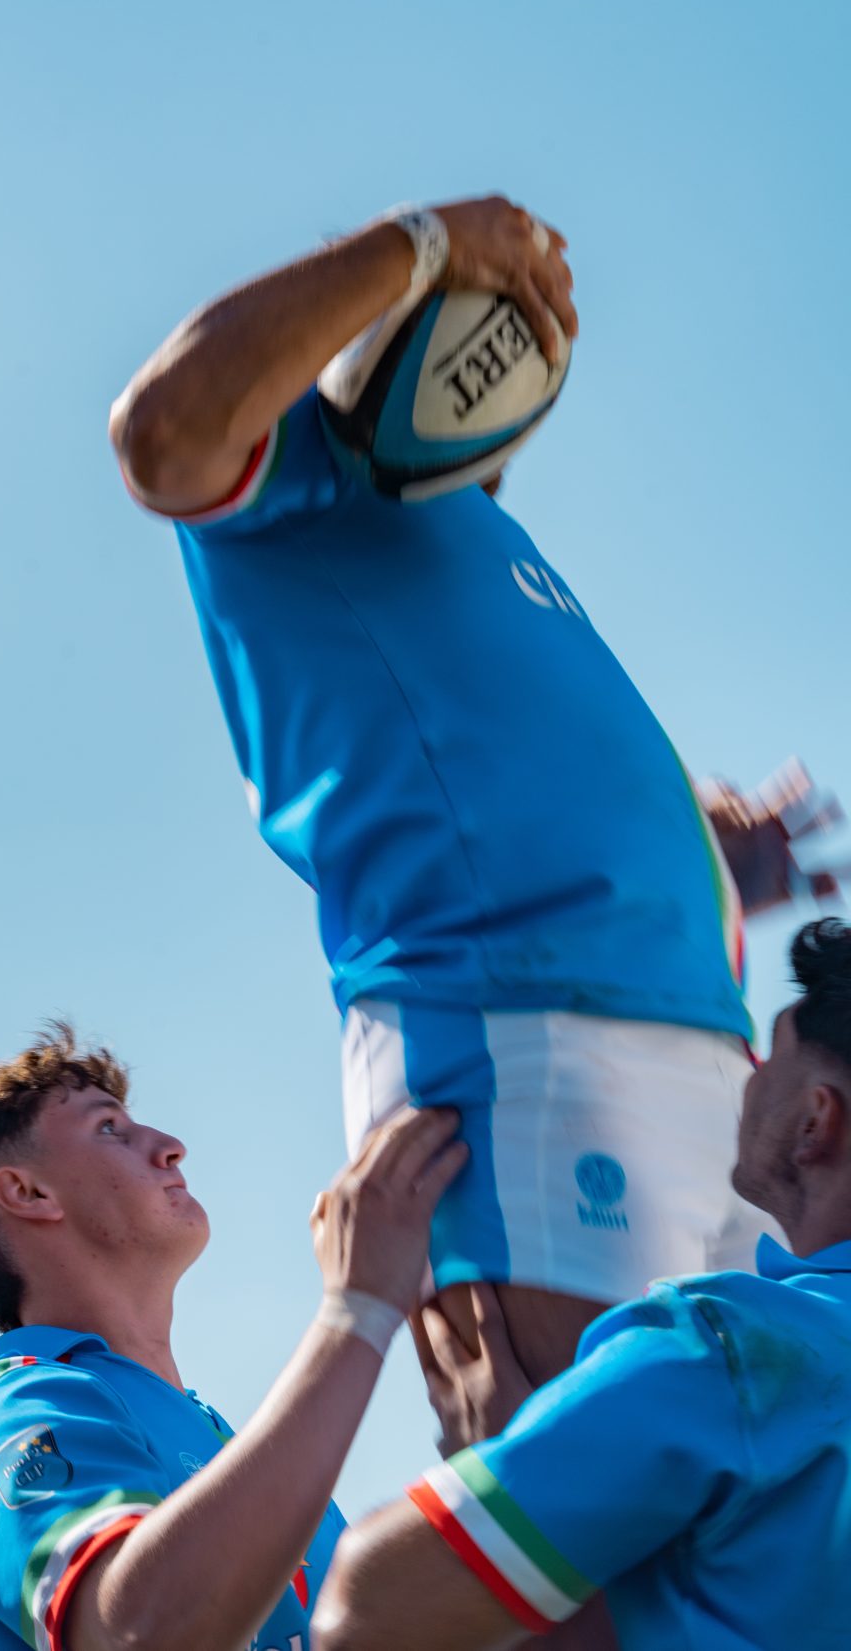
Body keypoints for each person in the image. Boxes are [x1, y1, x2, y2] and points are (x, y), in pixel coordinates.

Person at [106, 194, 837, 1391]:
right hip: (519, 1044)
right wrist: (423, 246)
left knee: (765, 1498)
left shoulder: (471, 532)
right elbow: (160, 431)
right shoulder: (304, 464)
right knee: (581, 1498)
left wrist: (699, 871)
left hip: (691, 1050)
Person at [315, 919, 851, 1649]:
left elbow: (363, 1612)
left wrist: (490, 1454)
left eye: (773, 1054)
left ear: (816, 1121)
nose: (750, 1076)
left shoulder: (729, 1352)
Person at [0, 1028, 463, 1651]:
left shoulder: (216, 1435)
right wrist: (358, 1311)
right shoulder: (15, 1413)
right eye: (109, 1128)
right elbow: (139, 1635)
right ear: (28, 1193)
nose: (171, 1148)